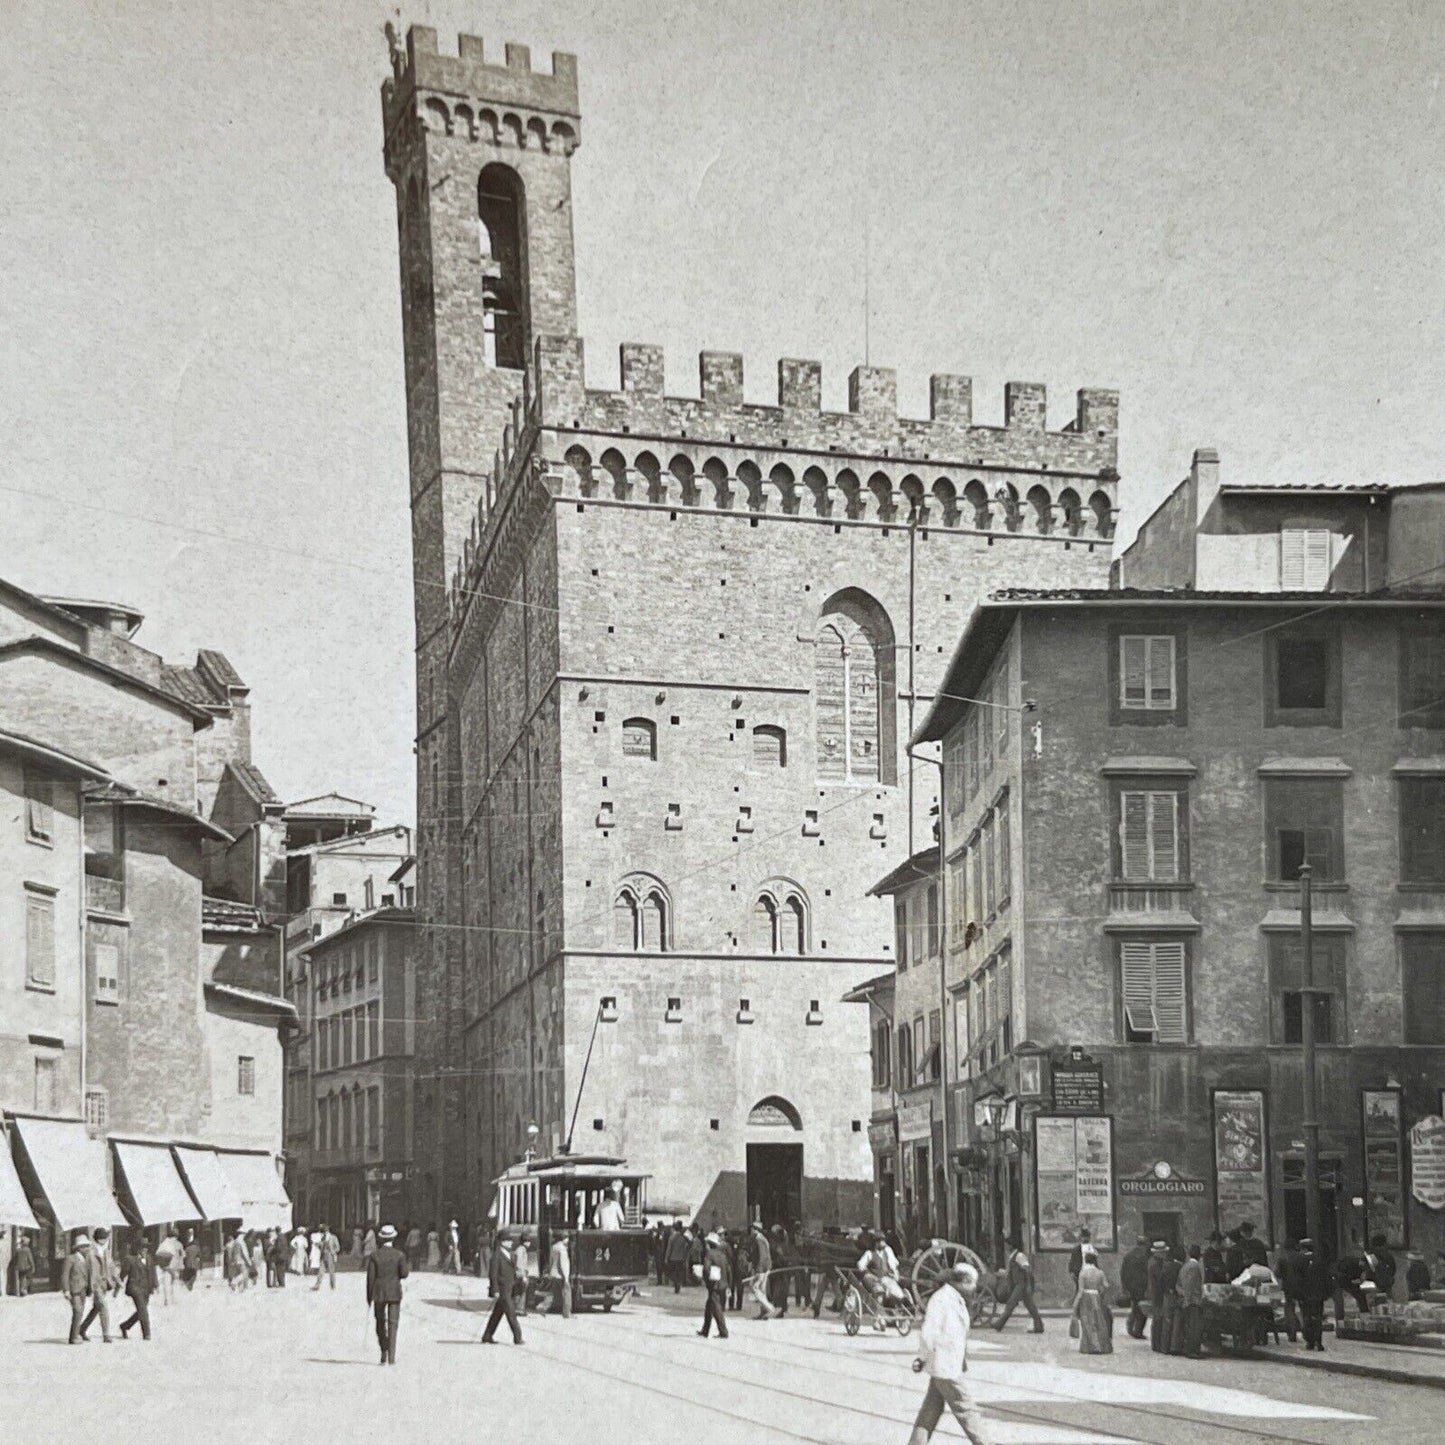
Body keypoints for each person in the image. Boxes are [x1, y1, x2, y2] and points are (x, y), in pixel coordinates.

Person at [908, 1261, 995, 1445]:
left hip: (947, 1364)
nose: (974, 1289)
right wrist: (922, 1357)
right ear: (963, 1281)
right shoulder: (941, 1299)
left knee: (930, 1411)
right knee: (965, 1408)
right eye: (973, 1284)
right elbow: (928, 1332)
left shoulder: (954, 1298)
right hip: (944, 1365)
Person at [366, 1223, 409, 1365]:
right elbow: (404, 1274)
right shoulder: (399, 1255)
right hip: (394, 1292)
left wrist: (369, 1297)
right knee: (393, 1323)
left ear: (381, 1239)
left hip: (379, 1292)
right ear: (394, 1238)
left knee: (379, 1322)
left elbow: (370, 1278)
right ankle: (392, 1356)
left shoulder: (374, 1255)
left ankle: (383, 1349)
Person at [993, 1237, 1044, 1333]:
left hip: (1020, 1285)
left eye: (1007, 1244)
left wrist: (1028, 1284)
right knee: (1030, 1306)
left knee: (1010, 1304)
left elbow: (1027, 1269)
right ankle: (1039, 1326)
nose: (1006, 1247)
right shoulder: (1013, 1256)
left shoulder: (1019, 1255)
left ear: (1011, 1245)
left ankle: (999, 1324)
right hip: (1019, 1284)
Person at [79, 1227, 120, 1341]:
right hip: (95, 1284)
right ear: (101, 1239)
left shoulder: (105, 1252)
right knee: (103, 1306)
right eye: (106, 1237)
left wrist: (117, 1279)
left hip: (104, 1285)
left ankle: (82, 1329)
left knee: (97, 1308)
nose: (107, 1239)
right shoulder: (91, 1253)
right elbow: (86, 1269)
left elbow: (111, 1267)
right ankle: (106, 1335)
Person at [482, 1233, 524, 1344]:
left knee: (497, 1314)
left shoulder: (509, 1254)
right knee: (511, 1313)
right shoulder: (496, 1255)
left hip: (509, 1288)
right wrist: (495, 1290)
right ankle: (518, 1337)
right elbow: (493, 1275)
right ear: (502, 1242)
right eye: (509, 1240)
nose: (511, 1243)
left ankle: (487, 1335)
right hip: (502, 1289)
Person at [1070, 1246, 1112, 1355]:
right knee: (1099, 1321)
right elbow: (1106, 1286)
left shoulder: (1083, 1273)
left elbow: (1081, 1290)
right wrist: (1101, 1294)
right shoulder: (1100, 1272)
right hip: (1096, 1297)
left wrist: (1075, 1304)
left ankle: (1090, 1346)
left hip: (1086, 1298)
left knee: (1087, 1322)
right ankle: (1102, 1345)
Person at [119, 1238, 159, 1341]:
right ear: (137, 1249)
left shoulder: (149, 1258)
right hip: (134, 1287)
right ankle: (147, 1334)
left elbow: (153, 1273)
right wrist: (117, 1286)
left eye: (146, 1248)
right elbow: (123, 1274)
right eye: (142, 1248)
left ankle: (125, 1326)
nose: (145, 1250)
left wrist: (156, 1285)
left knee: (141, 1311)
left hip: (146, 1288)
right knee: (143, 1310)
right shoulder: (130, 1259)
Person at [63, 1234, 100, 1344]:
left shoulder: (86, 1260)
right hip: (74, 1290)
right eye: (85, 1247)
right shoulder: (70, 1259)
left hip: (83, 1289)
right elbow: (65, 1275)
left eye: (87, 1246)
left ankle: (75, 1334)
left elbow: (89, 1274)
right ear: (79, 1248)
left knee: (80, 1312)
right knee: (77, 1311)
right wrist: (66, 1290)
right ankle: (73, 1337)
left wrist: (90, 1287)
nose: (87, 1249)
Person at [1296, 1238, 1329, 1351]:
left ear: (1303, 1249)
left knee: (1307, 1317)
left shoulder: (1299, 1261)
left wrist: (1298, 1294)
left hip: (1305, 1295)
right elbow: (1326, 1278)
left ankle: (1309, 1341)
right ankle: (1318, 1342)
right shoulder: (1319, 1260)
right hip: (1318, 1295)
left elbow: (1297, 1279)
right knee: (1318, 1317)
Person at [697, 1231, 731, 1338]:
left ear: (709, 1244)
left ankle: (723, 1332)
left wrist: (704, 1278)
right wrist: (728, 1284)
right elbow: (729, 1270)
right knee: (709, 1307)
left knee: (717, 1309)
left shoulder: (709, 1254)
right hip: (723, 1284)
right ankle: (705, 1330)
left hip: (714, 1285)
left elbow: (706, 1269)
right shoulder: (722, 1255)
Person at [1175, 1245, 1205, 1359]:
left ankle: (1190, 1349)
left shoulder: (1185, 1266)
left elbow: (1178, 1284)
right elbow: (1191, 1285)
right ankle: (1192, 1351)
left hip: (1188, 1300)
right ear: (1199, 1255)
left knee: (1190, 1326)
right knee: (1195, 1327)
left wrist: (1183, 1296)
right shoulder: (1194, 1267)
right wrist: (1189, 1299)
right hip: (1193, 1301)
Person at [745, 1222, 779, 1320]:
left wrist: (759, 1271)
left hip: (761, 1269)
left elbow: (763, 1256)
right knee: (762, 1291)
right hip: (765, 1268)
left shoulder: (759, 1240)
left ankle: (770, 1308)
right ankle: (763, 1312)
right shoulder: (762, 1239)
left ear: (755, 1230)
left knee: (754, 1287)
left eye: (752, 1229)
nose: (751, 1231)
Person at [1119, 1235, 1149, 1340]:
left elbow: (1123, 1272)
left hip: (1131, 1286)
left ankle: (1131, 1325)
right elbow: (1147, 1271)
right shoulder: (1144, 1256)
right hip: (1141, 1286)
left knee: (1135, 1306)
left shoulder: (1128, 1255)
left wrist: (1125, 1286)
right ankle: (1138, 1330)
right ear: (1145, 1244)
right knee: (1141, 1308)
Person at [1276, 1239, 1303, 1343]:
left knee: (1289, 1310)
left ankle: (1292, 1334)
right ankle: (1305, 1330)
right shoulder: (1301, 1257)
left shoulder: (1282, 1259)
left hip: (1288, 1287)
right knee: (1302, 1309)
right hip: (1301, 1286)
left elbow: (1277, 1273)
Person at [1146, 1241, 1170, 1352]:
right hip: (1158, 1293)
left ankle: (1156, 1343)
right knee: (1158, 1319)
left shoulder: (1152, 1262)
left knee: (1157, 1319)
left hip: (1155, 1292)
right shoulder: (1157, 1264)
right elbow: (1160, 1280)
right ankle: (1157, 1343)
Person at [1160, 1247, 1183, 1354]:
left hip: (1167, 1296)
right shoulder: (1182, 1268)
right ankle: (1174, 1347)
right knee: (1177, 1322)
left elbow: (1161, 1280)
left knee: (1167, 1321)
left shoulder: (1167, 1267)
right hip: (1177, 1296)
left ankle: (1164, 1347)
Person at [546, 1233, 572, 1318]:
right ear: (564, 1239)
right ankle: (567, 1313)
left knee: (556, 1293)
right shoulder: (562, 1249)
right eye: (567, 1238)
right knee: (567, 1293)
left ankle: (554, 1308)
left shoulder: (553, 1247)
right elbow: (563, 1263)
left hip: (554, 1273)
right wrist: (566, 1277)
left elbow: (550, 1261)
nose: (568, 1240)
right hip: (561, 1275)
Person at [1369, 1234, 1397, 1302]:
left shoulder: (1371, 1256)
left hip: (1374, 1288)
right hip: (1385, 1287)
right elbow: (1393, 1270)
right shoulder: (1388, 1255)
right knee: (1389, 1306)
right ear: (1384, 1244)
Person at [665, 1221, 690, 1294]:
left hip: (673, 1258)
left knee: (674, 1273)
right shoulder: (683, 1238)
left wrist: (666, 1258)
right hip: (681, 1258)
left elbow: (669, 1249)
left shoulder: (672, 1237)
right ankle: (678, 1285)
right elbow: (687, 1246)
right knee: (679, 1273)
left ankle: (676, 1285)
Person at [315, 1223, 340, 1290]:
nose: (324, 1233)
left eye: (325, 1231)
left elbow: (338, 1248)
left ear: (328, 1231)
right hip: (323, 1255)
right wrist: (318, 1245)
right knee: (321, 1271)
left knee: (331, 1271)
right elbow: (321, 1246)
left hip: (330, 1255)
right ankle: (317, 1285)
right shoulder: (322, 1238)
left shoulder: (333, 1237)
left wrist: (333, 1252)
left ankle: (333, 1286)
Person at [14, 1234, 35, 1298]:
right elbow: (30, 1259)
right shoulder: (27, 1250)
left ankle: (20, 1291)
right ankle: (24, 1290)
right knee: (26, 1278)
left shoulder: (18, 1250)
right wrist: (33, 1266)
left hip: (19, 1267)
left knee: (20, 1279)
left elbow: (15, 1259)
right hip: (26, 1267)